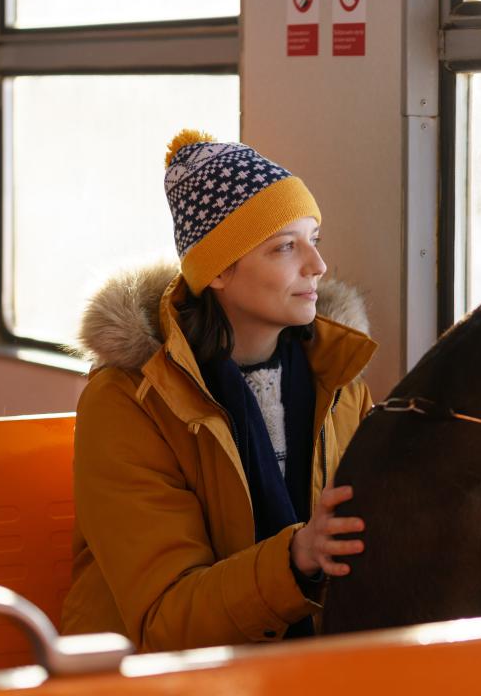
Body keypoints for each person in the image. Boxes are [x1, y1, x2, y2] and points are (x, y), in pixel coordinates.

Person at [61, 130, 377, 651]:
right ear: (219, 271)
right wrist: (296, 557)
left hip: (305, 667)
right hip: (150, 675)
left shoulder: (337, 383)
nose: (317, 266)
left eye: (314, 240)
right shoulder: (128, 402)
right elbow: (164, 618)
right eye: (285, 247)